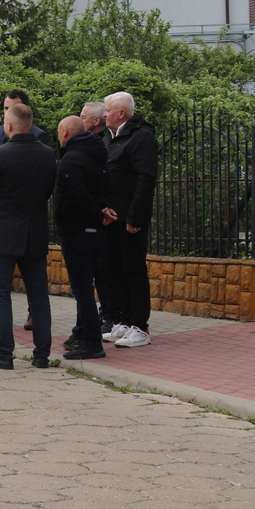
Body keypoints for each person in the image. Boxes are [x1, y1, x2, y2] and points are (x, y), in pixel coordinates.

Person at [0, 90, 50, 329]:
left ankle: (30, 318)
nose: (8, 113)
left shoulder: (38, 138)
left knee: (34, 284)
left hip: (23, 221)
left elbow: (41, 181)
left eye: (12, 108)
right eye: (5, 108)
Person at [101, 91, 159, 348]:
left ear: (121, 113)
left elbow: (145, 179)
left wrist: (135, 216)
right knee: (115, 270)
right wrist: (104, 208)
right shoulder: (110, 137)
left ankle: (140, 326)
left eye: (107, 110)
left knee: (133, 270)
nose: (103, 114)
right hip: (111, 217)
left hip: (130, 218)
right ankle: (124, 321)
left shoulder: (140, 137)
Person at [54, 115, 113, 361]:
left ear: (66, 133)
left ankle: (91, 341)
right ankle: (81, 333)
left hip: (79, 231)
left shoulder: (72, 159)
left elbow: (77, 194)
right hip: (93, 230)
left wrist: (97, 216)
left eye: (59, 133)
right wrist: (101, 212)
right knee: (85, 286)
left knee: (82, 289)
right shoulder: (97, 154)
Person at [80, 100, 120, 332]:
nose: (81, 119)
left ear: (96, 121)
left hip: (105, 214)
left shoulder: (105, 143)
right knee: (98, 270)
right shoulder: (90, 141)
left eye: (84, 117)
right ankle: (107, 312)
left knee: (105, 270)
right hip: (94, 214)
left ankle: (110, 314)